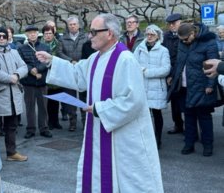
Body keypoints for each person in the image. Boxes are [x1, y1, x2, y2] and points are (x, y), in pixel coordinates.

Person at [36, 13, 163, 193]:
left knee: (128, 181)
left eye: (94, 32)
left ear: (109, 33)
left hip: (124, 136)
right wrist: (51, 61)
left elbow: (133, 102)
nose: (89, 36)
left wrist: (98, 108)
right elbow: (77, 74)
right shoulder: (96, 57)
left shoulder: (125, 59)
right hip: (101, 127)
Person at [168, 22, 219, 156]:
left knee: (204, 117)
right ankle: (189, 143)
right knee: (189, 117)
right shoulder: (182, 42)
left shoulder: (209, 41)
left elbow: (213, 65)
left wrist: (210, 85)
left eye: (186, 39)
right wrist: (173, 76)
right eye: (181, 40)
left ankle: (208, 145)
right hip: (183, 87)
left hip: (201, 86)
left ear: (193, 33)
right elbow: (178, 62)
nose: (184, 42)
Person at [0, 27, 28, 162]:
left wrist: (16, 74)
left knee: (11, 126)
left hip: (13, 94)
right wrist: (11, 78)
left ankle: (11, 153)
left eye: (4, 36)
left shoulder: (14, 52)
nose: (2, 38)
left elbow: (24, 66)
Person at [134, 24, 171, 148]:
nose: (149, 36)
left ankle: (158, 138)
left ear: (158, 36)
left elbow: (166, 69)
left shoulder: (163, 50)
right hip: (142, 85)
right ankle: (145, 138)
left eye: (152, 34)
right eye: (147, 34)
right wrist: (139, 70)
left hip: (156, 87)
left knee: (156, 114)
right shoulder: (139, 48)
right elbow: (133, 63)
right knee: (143, 115)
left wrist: (147, 72)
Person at [18, 25, 52, 139]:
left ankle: (44, 128)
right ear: (26, 35)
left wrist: (38, 69)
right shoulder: (21, 48)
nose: (32, 34)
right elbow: (20, 62)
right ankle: (30, 129)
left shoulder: (45, 47)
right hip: (28, 82)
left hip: (42, 81)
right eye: (30, 33)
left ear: (38, 34)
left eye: (34, 32)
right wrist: (30, 69)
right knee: (29, 107)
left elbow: (48, 62)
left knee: (43, 107)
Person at [57, 16, 88, 131]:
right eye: (70, 24)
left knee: (84, 98)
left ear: (78, 25)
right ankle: (72, 122)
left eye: (74, 24)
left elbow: (90, 50)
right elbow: (59, 52)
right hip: (69, 70)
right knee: (70, 98)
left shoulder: (85, 37)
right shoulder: (62, 38)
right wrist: (70, 60)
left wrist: (81, 63)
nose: (72, 26)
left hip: (83, 70)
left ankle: (85, 122)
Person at [162, 13, 184, 134]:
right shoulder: (166, 37)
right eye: (170, 24)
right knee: (175, 102)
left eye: (174, 23)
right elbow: (166, 57)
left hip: (183, 73)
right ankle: (178, 124)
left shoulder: (186, 35)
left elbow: (180, 58)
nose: (172, 26)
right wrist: (170, 74)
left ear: (180, 22)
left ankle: (192, 128)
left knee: (187, 102)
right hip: (171, 73)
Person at [41, 24, 62, 130]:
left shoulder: (58, 44)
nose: (48, 35)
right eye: (46, 33)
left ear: (53, 34)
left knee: (56, 100)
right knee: (47, 102)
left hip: (56, 76)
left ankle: (56, 121)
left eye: (50, 33)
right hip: (44, 75)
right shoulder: (40, 45)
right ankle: (49, 121)